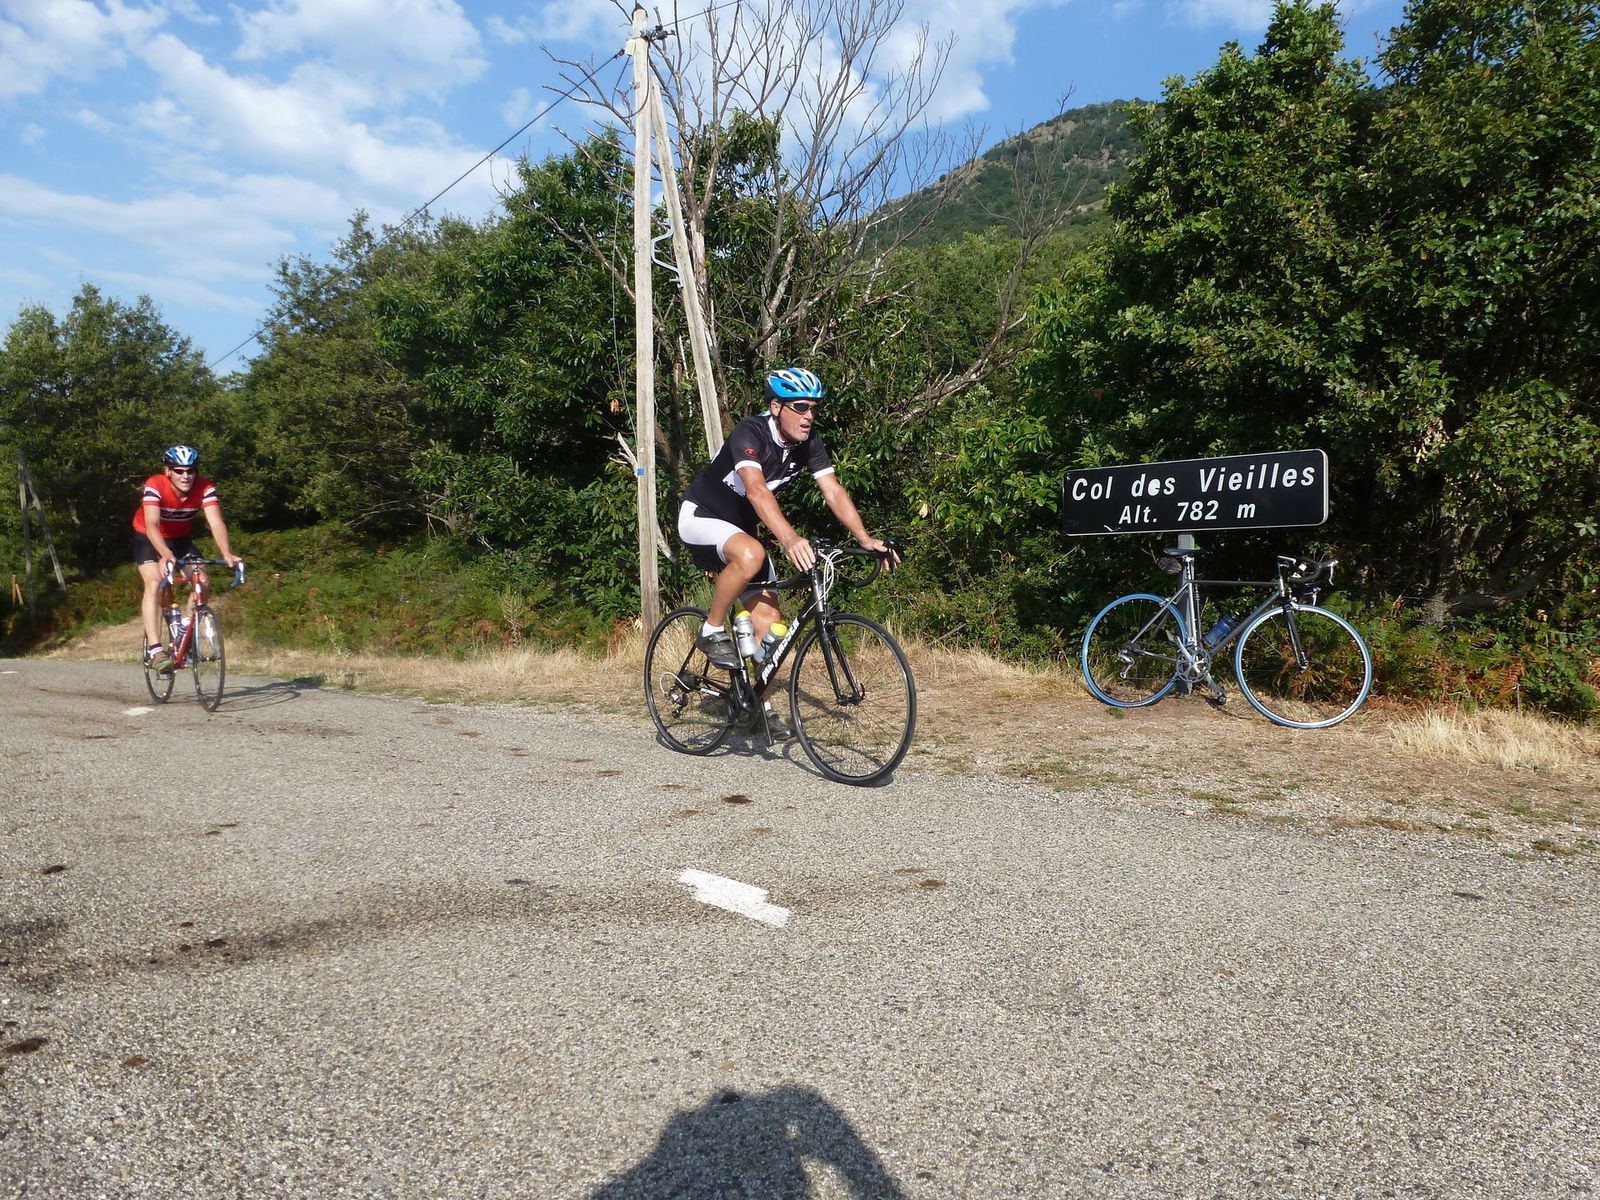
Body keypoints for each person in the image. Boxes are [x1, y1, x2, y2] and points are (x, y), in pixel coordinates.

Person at [678, 368, 897, 731]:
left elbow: (832, 490)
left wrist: (864, 538)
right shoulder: (750, 432)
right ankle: (710, 629)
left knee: (770, 623)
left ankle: (757, 704)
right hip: (701, 515)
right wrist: (791, 539)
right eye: (800, 407)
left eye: (813, 408)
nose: (809, 416)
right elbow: (755, 490)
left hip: (742, 532)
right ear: (777, 407)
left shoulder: (808, 443)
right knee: (752, 554)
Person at [133, 445, 243, 672]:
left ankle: (185, 631)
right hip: (148, 537)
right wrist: (165, 554)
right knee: (154, 581)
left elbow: (215, 522)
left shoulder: (205, 487)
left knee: (202, 580)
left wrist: (226, 552)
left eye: (190, 470)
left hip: (180, 539)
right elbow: (152, 524)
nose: (186, 476)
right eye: (179, 471)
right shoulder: (155, 485)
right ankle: (155, 650)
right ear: (168, 471)